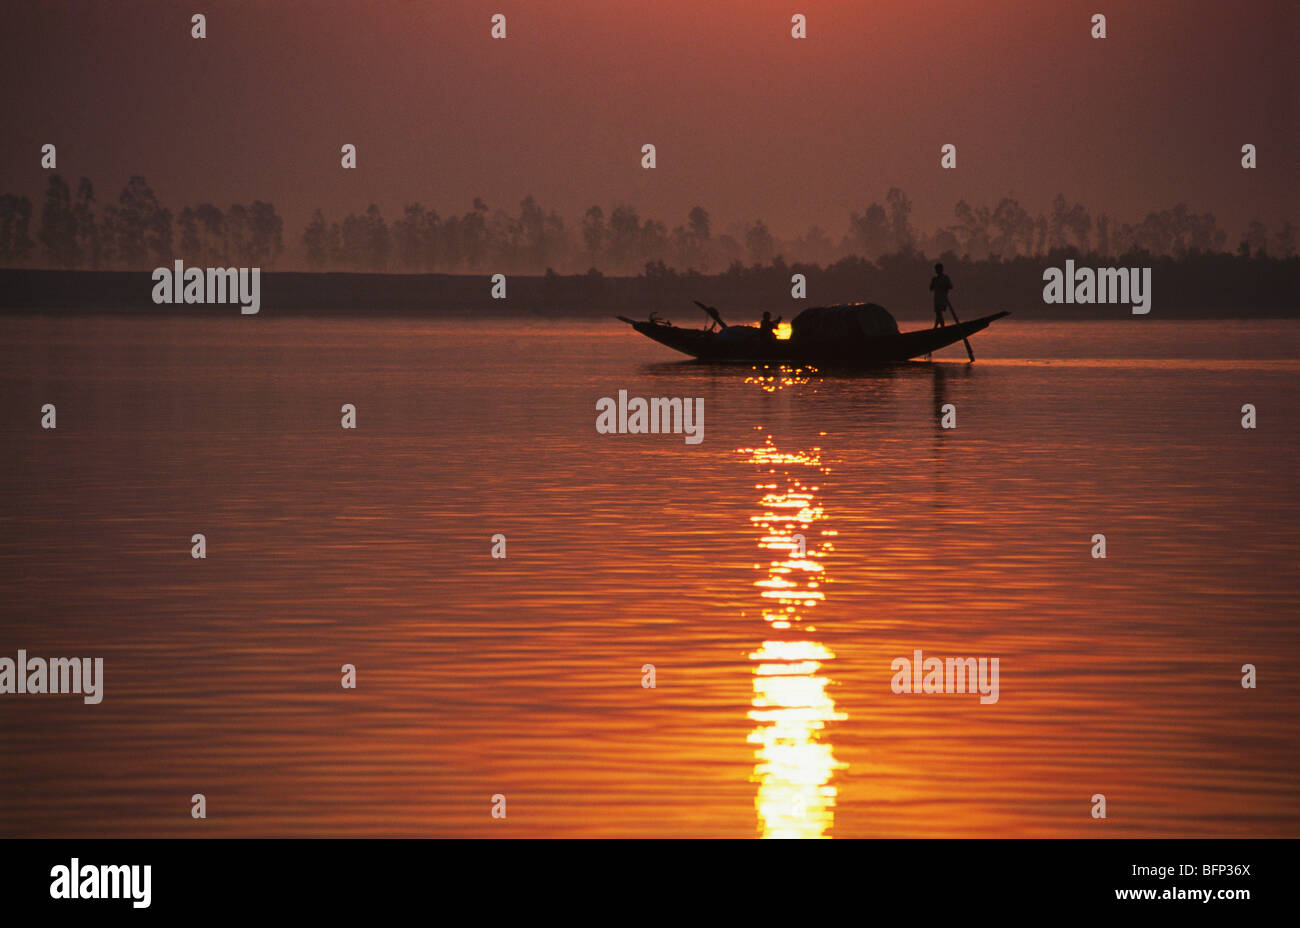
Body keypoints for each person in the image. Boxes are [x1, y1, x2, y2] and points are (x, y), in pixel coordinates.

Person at [929, 263, 953, 328]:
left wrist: (943, 286)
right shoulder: (935, 279)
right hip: (936, 299)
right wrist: (933, 282)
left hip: (943, 299)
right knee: (938, 314)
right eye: (936, 269)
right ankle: (938, 327)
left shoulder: (945, 277)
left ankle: (939, 327)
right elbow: (931, 288)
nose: (937, 271)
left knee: (939, 314)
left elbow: (950, 286)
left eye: (938, 269)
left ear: (941, 269)